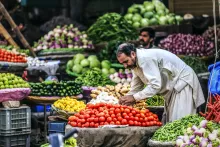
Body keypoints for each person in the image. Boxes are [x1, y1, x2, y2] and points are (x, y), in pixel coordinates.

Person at [116, 43, 205, 123]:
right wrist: (128, 97)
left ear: (132, 54)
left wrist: (134, 98)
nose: (125, 66)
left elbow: (155, 85)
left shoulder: (145, 58)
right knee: (171, 122)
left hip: (182, 82)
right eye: (122, 63)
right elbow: (137, 85)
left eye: (126, 61)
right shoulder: (135, 64)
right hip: (173, 86)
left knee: (180, 122)